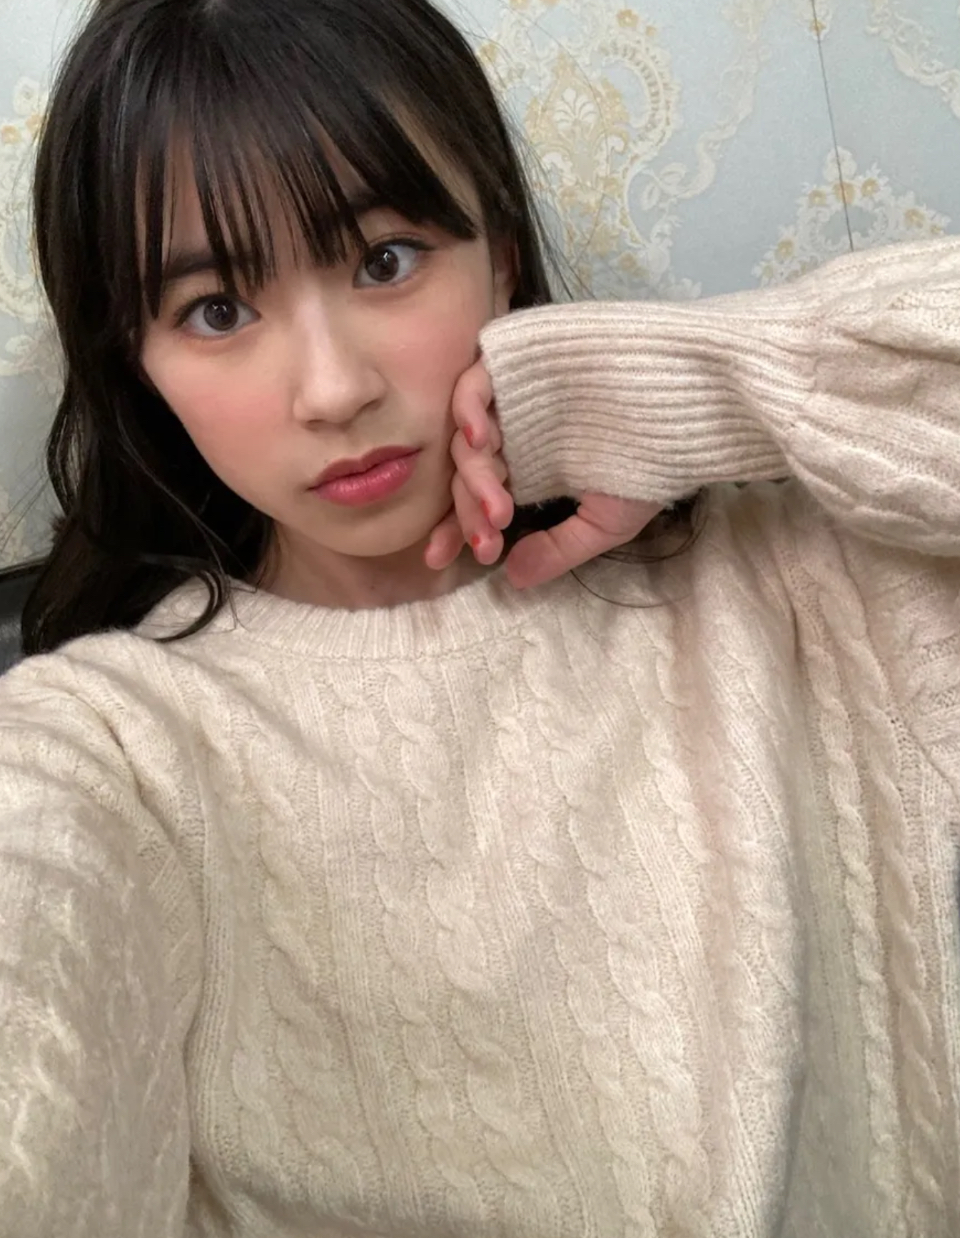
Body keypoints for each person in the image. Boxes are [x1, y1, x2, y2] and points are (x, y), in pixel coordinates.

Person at [0, 0, 958, 1233]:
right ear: (137, 361)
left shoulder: (771, 576)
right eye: (216, 310)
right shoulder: (117, 746)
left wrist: (704, 387)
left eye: (385, 259)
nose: (334, 389)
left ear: (499, 252)